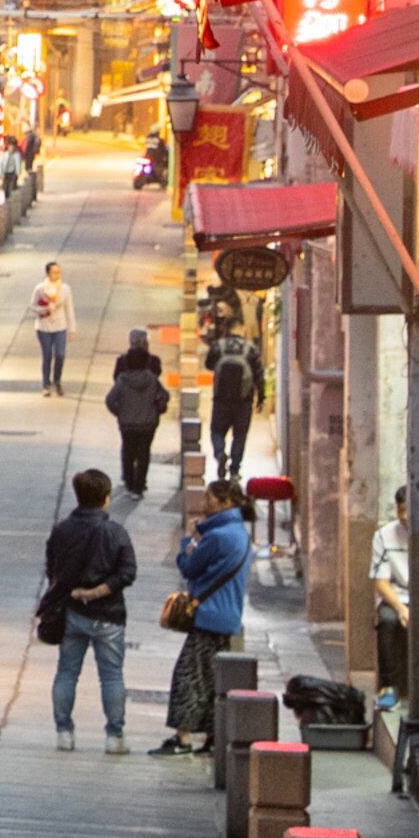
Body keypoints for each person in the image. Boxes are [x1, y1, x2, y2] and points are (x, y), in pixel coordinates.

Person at [40, 468, 139, 752]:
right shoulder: (115, 532)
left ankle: (64, 732)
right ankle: (114, 736)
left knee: (67, 672)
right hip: (109, 613)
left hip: (71, 612)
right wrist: (96, 592)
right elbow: (128, 573)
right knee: (112, 675)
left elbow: (52, 569)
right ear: (106, 498)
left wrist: (75, 591)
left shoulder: (62, 530)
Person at [157, 490, 253, 756]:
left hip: (209, 616)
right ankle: (213, 737)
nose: (204, 502)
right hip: (228, 617)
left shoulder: (216, 536)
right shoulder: (240, 533)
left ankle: (183, 739)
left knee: (187, 676)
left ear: (226, 501)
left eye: (210, 497)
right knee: (212, 680)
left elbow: (188, 566)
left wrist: (189, 539)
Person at [105, 330, 170, 497]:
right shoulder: (153, 379)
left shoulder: (122, 380)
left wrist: (120, 412)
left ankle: (129, 482)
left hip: (127, 423)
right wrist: (156, 409)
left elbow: (110, 400)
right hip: (148, 423)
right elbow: (165, 395)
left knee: (128, 452)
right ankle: (139, 487)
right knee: (144, 453)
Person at [207, 319, 264, 483]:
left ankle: (220, 454)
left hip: (221, 399)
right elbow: (259, 374)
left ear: (227, 329)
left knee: (216, 431)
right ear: (242, 330)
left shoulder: (218, 346)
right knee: (240, 436)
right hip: (244, 401)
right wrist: (261, 397)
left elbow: (209, 364)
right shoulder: (250, 349)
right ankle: (234, 470)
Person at [371, 484, 412, 709]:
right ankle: (388, 687)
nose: (404, 516)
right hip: (396, 596)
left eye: (408, 510)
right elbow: (381, 582)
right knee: (387, 620)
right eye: (400, 510)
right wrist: (401, 608)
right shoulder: (384, 536)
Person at [28, 260, 76, 395]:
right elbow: (32, 306)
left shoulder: (65, 289)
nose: (57, 275)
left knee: (60, 354)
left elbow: (69, 309)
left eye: (58, 272)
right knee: (47, 355)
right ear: (48, 273)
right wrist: (44, 309)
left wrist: (72, 329)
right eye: (54, 272)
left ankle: (57, 380)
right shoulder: (40, 288)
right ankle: (46, 384)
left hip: (60, 327)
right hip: (44, 327)